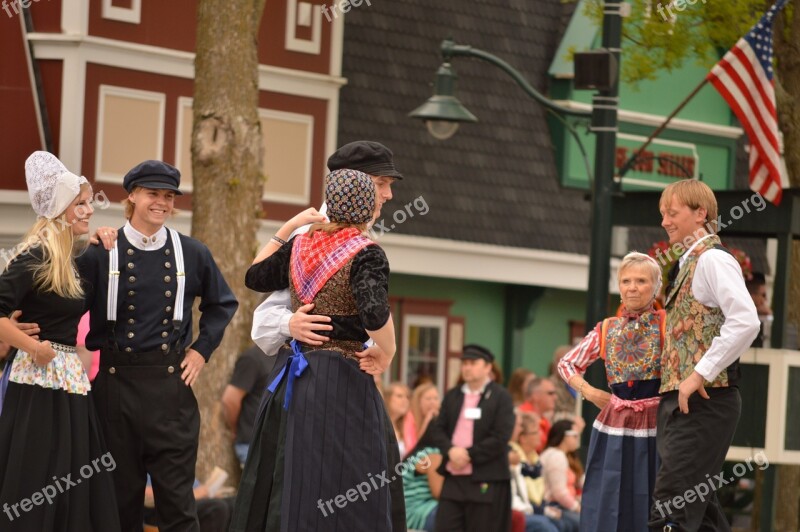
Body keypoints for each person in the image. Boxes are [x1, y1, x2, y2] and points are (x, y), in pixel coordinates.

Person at [246, 140, 408, 530]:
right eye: (381, 187)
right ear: (366, 196)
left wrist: (289, 229)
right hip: (343, 380)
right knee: (354, 476)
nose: (388, 196)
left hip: (297, 379)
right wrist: (388, 352)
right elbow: (374, 313)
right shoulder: (366, 250)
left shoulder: (302, 242)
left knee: (298, 478)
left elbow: (255, 275)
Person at [77, 160, 239, 531]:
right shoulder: (100, 252)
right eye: (153, 194)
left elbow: (222, 304)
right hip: (115, 391)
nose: (162, 203)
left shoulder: (193, 253)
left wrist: (201, 350)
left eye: (168, 196)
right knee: (119, 506)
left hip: (171, 391)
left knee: (179, 509)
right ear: (132, 196)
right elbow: (67, 305)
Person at [0, 151, 120, 530]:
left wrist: (102, 241)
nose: (90, 210)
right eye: (81, 204)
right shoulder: (32, 257)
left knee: (72, 476)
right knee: (39, 475)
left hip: (69, 381)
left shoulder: (69, 259)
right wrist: (30, 345)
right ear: (61, 210)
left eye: (88, 203)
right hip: (37, 382)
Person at [648, 179, 760, 531]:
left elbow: (746, 320)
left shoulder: (712, 259)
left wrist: (699, 373)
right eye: (663, 213)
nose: (665, 221)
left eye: (672, 212)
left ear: (701, 214)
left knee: (671, 508)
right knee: (702, 511)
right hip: (687, 402)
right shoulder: (687, 263)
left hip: (705, 399)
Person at [557, 251, 665, 532]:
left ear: (656, 287)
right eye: (626, 280)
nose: (632, 287)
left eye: (641, 280)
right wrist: (590, 392)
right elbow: (567, 363)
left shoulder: (668, 324)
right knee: (608, 495)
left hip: (656, 424)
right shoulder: (606, 329)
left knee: (652, 495)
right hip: (613, 425)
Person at [427, 344, 516, 532]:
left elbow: (501, 437)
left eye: (473, 363)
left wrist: (467, 454)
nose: (467, 367)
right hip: (453, 477)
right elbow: (438, 429)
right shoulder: (453, 395)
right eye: (464, 363)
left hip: (485, 478)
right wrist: (451, 451)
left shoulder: (501, 397)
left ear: (488, 367)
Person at [221, 344, 275, 467]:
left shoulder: (286, 357)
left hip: (275, 446)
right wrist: (235, 428)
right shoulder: (252, 358)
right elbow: (230, 400)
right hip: (252, 446)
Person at [539, 420, 582, 532]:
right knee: (587, 522)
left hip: (561, 504)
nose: (577, 439)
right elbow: (559, 493)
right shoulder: (556, 456)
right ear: (564, 436)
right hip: (555, 505)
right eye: (575, 436)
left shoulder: (562, 455)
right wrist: (577, 507)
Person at [519, 377, 557, 453]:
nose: (555, 397)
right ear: (536, 395)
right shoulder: (522, 417)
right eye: (550, 393)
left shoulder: (544, 420)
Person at [403, 382, 440, 456]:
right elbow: (413, 448)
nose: (432, 402)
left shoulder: (440, 418)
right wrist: (427, 421)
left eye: (435, 398)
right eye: (428, 399)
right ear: (418, 402)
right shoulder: (410, 417)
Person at [384, 382, 411, 457]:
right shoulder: (379, 425)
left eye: (407, 397)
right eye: (399, 396)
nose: (405, 400)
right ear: (387, 399)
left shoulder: (406, 427)